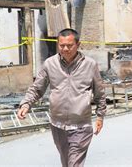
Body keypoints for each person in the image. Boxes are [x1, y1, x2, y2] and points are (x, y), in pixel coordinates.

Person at [17, 28, 106, 166]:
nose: (65, 49)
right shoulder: (50, 64)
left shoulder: (90, 65)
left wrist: (100, 115)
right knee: (66, 163)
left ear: (78, 44)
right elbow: (37, 88)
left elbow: (99, 92)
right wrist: (26, 104)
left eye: (69, 45)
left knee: (74, 164)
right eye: (62, 45)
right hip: (58, 125)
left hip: (81, 125)